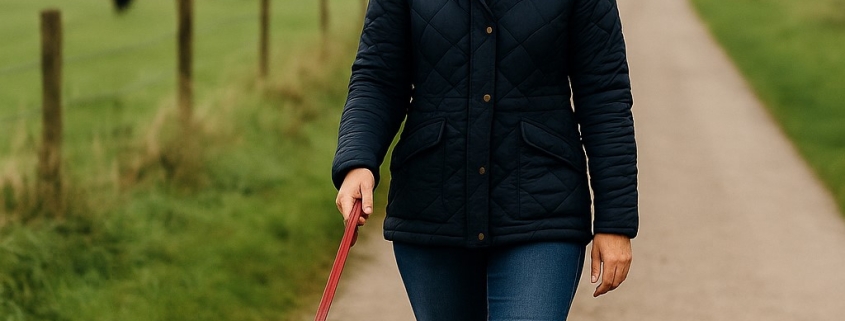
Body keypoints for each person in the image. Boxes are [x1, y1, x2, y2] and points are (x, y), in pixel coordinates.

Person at [332, 0, 638, 319]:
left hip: (544, 206)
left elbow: (605, 98)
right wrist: (358, 161)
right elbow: (378, 80)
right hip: (432, 207)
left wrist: (615, 221)